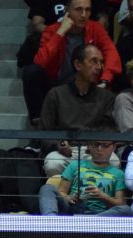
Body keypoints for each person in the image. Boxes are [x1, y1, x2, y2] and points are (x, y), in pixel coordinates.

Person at [22, 0, 121, 122]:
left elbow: (112, 53)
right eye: (78, 9)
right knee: (31, 72)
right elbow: (40, 62)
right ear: (67, 10)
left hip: (87, 83)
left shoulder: (95, 28)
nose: (84, 14)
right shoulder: (52, 30)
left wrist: (105, 79)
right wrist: (60, 32)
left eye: (87, 10)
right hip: (57, 84)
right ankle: (38, 122)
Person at [38, 44, 119, 178]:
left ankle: (95, 198)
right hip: (65, 152)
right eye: (93, 61)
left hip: (95, 149)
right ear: (78, 64)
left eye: (101, 62)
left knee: (114, 162)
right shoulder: (56, 94)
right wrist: (59, 145)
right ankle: (62, 198)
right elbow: (44, 132)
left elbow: (111, 130)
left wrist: (97, 145)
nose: (99, 67)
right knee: (53, 163)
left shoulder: (107, 97)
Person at [38, 134, 131, 216]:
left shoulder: (118, 174)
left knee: (126, 210)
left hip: (101, 213)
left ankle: (90, 222)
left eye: (105, 145)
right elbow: (62, 192)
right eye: (96, 144)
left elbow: (121, 203)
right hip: (73, 210)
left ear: (114, 147)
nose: (99, 149)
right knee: (47, 188)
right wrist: (70, 198)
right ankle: (51, 221)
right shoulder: (75, 165)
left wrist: (102, 196)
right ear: (89, 146)